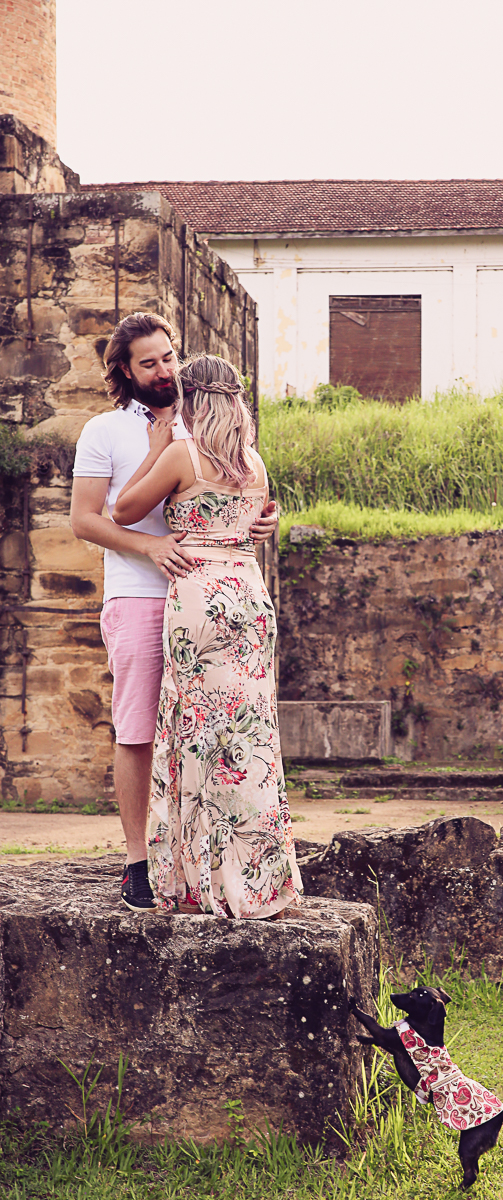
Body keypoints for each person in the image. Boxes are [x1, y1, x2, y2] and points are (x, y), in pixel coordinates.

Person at [70, 313, 278, 912]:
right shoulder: (104, 431)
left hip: (207, 598)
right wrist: (151, 546)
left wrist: (265, 519)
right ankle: (139, 862)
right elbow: (86, 520)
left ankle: (199, 862)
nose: (165, 371)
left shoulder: (208, 424)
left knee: (209, 730)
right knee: (138, 727)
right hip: (139, 593)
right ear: (125, 372)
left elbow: (244, 493)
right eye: (150, 363)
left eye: (170, 357)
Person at [112, 353, 301, 919]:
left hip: (198, 597)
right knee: (250, 737)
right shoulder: (254, 462)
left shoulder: (181, 454)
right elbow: (255, 525)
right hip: (249, 594)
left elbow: (122, 511)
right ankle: (259, 882)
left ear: (190, 400)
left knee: (197, 732)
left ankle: (199, 880)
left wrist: (154, 447)